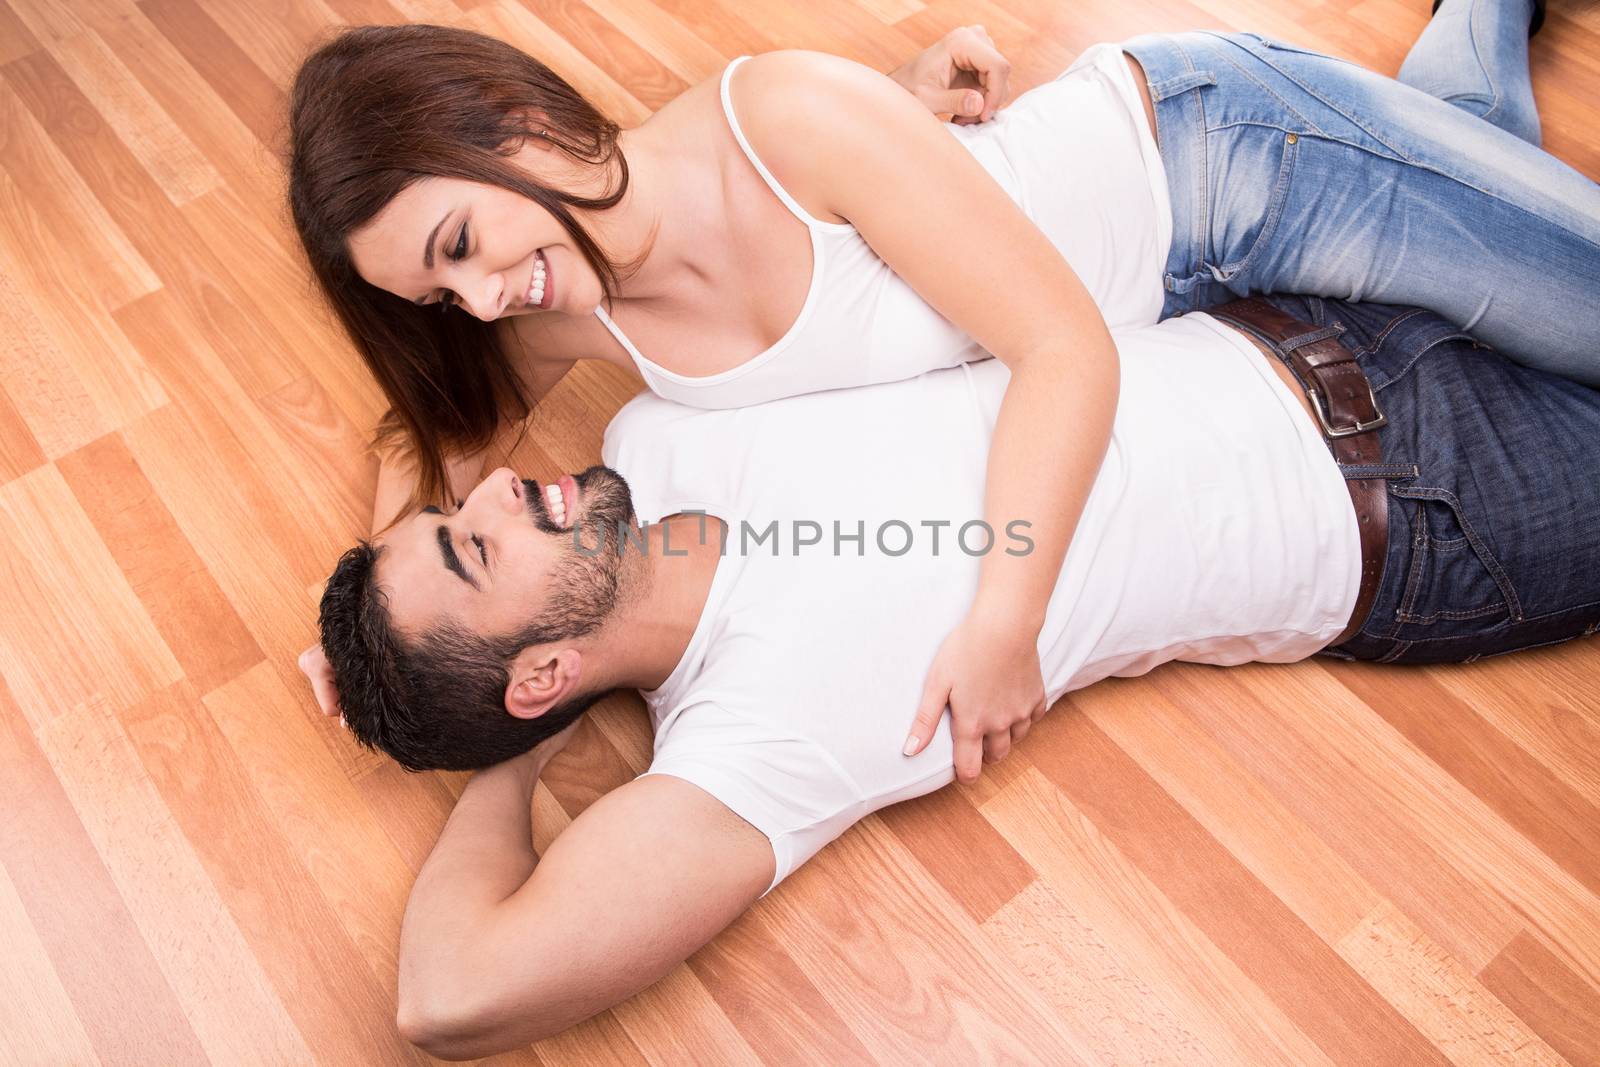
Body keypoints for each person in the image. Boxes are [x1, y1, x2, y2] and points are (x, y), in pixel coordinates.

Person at [290, 0, 1600, 779]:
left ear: (510, 128)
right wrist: (367, 632)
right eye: (435, 295)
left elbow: (1064, 350)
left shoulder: (782, 121)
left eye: (460, 245)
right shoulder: (565, 311)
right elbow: (439, 438)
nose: (480, 299)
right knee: (1489, 201)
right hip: (1182, 300)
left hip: (1229, 162)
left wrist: (1003, 617)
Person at [316, 291, 1600, 1057]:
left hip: (1280, 305)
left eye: (457, 515)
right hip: (1422, 503)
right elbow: (448, 994)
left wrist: (401, 584)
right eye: (476, 544)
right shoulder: (752, 741)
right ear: (540, 671)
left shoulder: (659, 428)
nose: (495, 489)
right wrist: (508, 752)